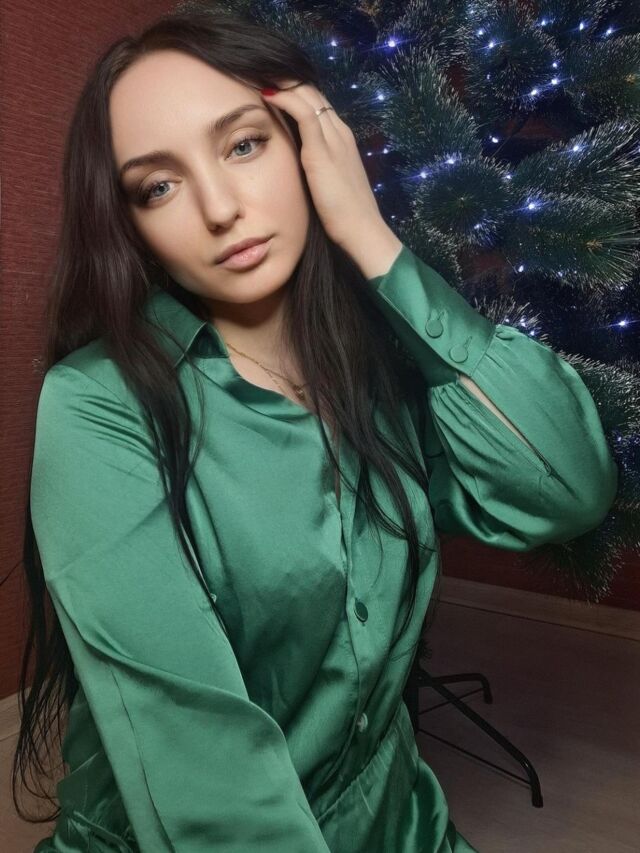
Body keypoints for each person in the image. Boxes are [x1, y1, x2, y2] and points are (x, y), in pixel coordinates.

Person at [16, 7, 618, 853]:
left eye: (244, 144)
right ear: (134, 229)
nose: (220, 208)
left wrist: (371, 238)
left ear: (310, 143)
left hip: (397, 821)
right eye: (159, 186)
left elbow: (568, 488)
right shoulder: (98, 405)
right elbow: (202, 772)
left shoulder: (380, 360)